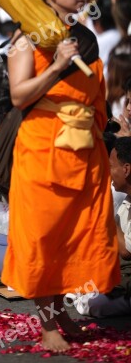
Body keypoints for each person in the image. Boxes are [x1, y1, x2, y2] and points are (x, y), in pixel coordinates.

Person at [0, 0, 121, 352]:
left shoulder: (84, 36)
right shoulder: (26, 37)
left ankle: (62, 307)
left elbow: (95, 94)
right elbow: (19, 97)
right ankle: (47, 322)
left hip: (84, 150)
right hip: (43, 148)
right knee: (43, 235)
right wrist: (56, 66)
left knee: (78, 233)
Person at [72, 136, 131, 317]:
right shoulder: (127, 200)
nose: (108, 172)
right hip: (121, 270)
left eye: (111, 166)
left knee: (93, 304)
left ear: (126, 169)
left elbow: (126, 251)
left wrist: (104, 210)